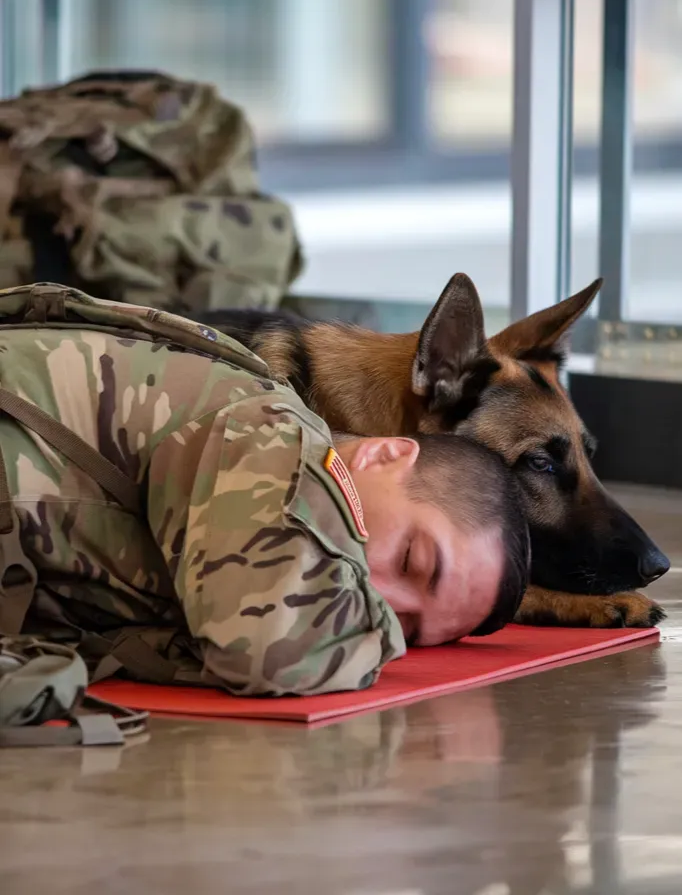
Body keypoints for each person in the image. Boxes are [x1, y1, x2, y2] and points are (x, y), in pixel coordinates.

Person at [0, 284, 530, 699]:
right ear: (384, 453)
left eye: (408, 627)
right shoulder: (272, 435)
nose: (382, 596)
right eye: (413, 559)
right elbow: (266, 652)